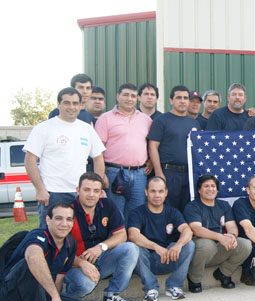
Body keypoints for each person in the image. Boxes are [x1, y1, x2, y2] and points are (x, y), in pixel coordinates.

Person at [0, 203, 93, 301]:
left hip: (38, 295)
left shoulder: (70, 244)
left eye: (69, 219)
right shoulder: (38, 235)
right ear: (48, 220)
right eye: (59, 218)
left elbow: (59, 280)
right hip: (10, 294)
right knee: (30, 263)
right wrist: (54, 297)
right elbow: (33, 257)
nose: (64, 223)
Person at [24, 87, 106, 228]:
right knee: (51, 236)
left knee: (81, 234)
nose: (71, 107)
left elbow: (98, 158)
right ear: (58, 104)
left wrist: (96, 188)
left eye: (75, 103)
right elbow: (30, 160)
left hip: (81, 193)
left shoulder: (86, 129)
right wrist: (40, 189)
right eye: (67, 103)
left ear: (81, 105)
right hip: (53, 193)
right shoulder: (43, 128)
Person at [63, 172, 139, 301]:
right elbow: (59, 252)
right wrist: (81, 263)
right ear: (77, 190)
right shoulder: (67, 213)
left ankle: (112, 294)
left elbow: (121, 235)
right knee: (86, 284)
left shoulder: (107, 205)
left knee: (130, 248)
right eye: (86, 190)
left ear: (101, 193)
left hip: (101, 259)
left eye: (96, 191)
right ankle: (67, 300)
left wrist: (101, 247)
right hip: (74, 264)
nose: (91, 194)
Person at [128, 177, 196, 301]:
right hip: (146, 261)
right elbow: (133, 235)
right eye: (153, 191)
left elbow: (187, 230)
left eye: (160, 191)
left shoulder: (173, 212)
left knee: (189, 244)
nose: (157, 195)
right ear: (146, 192)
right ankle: (150, 288)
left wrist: (178, 245)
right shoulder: (137, 213)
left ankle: (174, 286)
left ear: (166, 193)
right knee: (133, 248)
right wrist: (155, 247)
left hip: (168, 258)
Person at [95, 83, 153, 222]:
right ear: (117, 96)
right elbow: (97, 150)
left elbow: (152, 144)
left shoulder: (145, 119)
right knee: (115, 213)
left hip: (139, 174)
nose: (129, 99)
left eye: (133, 96)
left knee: (136, 213)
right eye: (126, 95)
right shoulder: (105, 118)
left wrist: (150, 160)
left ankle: (132, 243)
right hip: (115, 173)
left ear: (137, 98)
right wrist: (101, 174)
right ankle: (118, 243)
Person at [183, 175, 252, 292]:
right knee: (207, 244)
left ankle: (224, 273)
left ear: (217, 190)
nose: (210, 189)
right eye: (206, 186)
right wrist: (220, 237)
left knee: (245, 244)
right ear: (199, 190)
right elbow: (196, 229)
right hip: (201, 250)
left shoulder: (224, 205)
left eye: (213, 186)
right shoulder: (192, 206)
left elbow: (232, 226)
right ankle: (194, 279)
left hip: (219, 248)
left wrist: (232, 236)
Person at [147, 85, 201, 212]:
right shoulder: (161, 120)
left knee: (187, 209)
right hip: (168, 173)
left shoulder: (194, 123)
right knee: (167, 210)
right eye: (179, 98)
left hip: (189, 174)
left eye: (185, 98)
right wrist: (159, 173)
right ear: (171, 100)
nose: (182, 101)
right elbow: (153, 147)